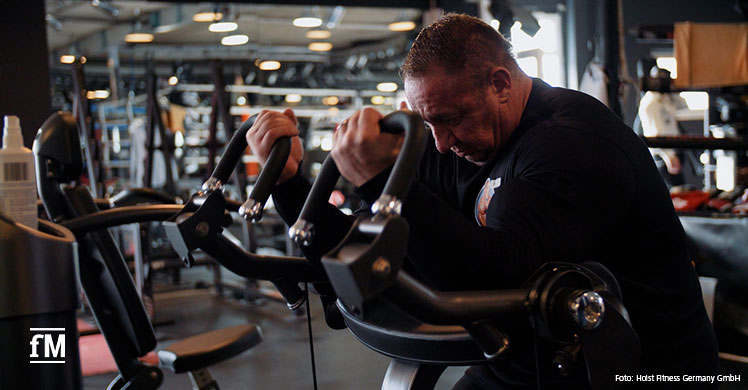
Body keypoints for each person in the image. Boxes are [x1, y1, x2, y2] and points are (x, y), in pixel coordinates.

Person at [246, 13, 720, 389]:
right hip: (531, 361)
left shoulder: (570, 143)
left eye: (449, 120)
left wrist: (379, 182)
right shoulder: (461, 141)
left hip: (640, 371)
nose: (440, 143)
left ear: (500, 84)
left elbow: (486, 284)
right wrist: (288, 185)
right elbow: (371, 248)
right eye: (429, 124)